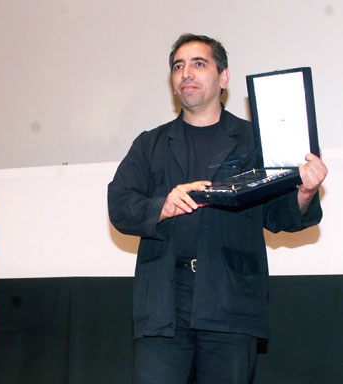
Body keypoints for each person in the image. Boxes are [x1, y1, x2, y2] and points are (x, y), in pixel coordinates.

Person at [108, 34, 328, 383]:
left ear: (223, 78)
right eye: (178, 66)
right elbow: (120, 206)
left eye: (199, 63)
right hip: (164, 301)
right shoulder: (150, 143)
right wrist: (162, 206)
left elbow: (277, 215)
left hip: (230, 298)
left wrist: (304, 190)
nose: (186, 74)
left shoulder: (256, 140)